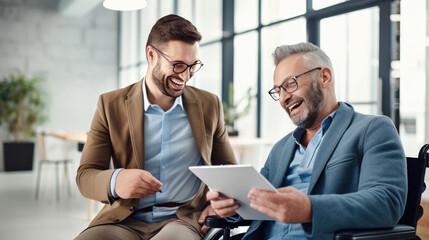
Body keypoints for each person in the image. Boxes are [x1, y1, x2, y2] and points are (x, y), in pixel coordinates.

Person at [207, 42, 407, 240]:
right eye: (278, 91)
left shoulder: (371, 129)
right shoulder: (281, 148)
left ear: (324, 77)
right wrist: (232, 207)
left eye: (290, 84)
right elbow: (260, 203)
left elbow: (386, 203)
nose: (284, 97)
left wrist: (310, 209)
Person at [75, 14, 236, 240]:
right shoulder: (110, 105)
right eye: (178, 65)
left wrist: (218, 204)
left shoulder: (209, 105)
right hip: (124, 219)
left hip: (183, 220)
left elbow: (228, 170)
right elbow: (85, 175)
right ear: (151, 55)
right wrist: (116, 181)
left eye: (192, 66)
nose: (186, 76)